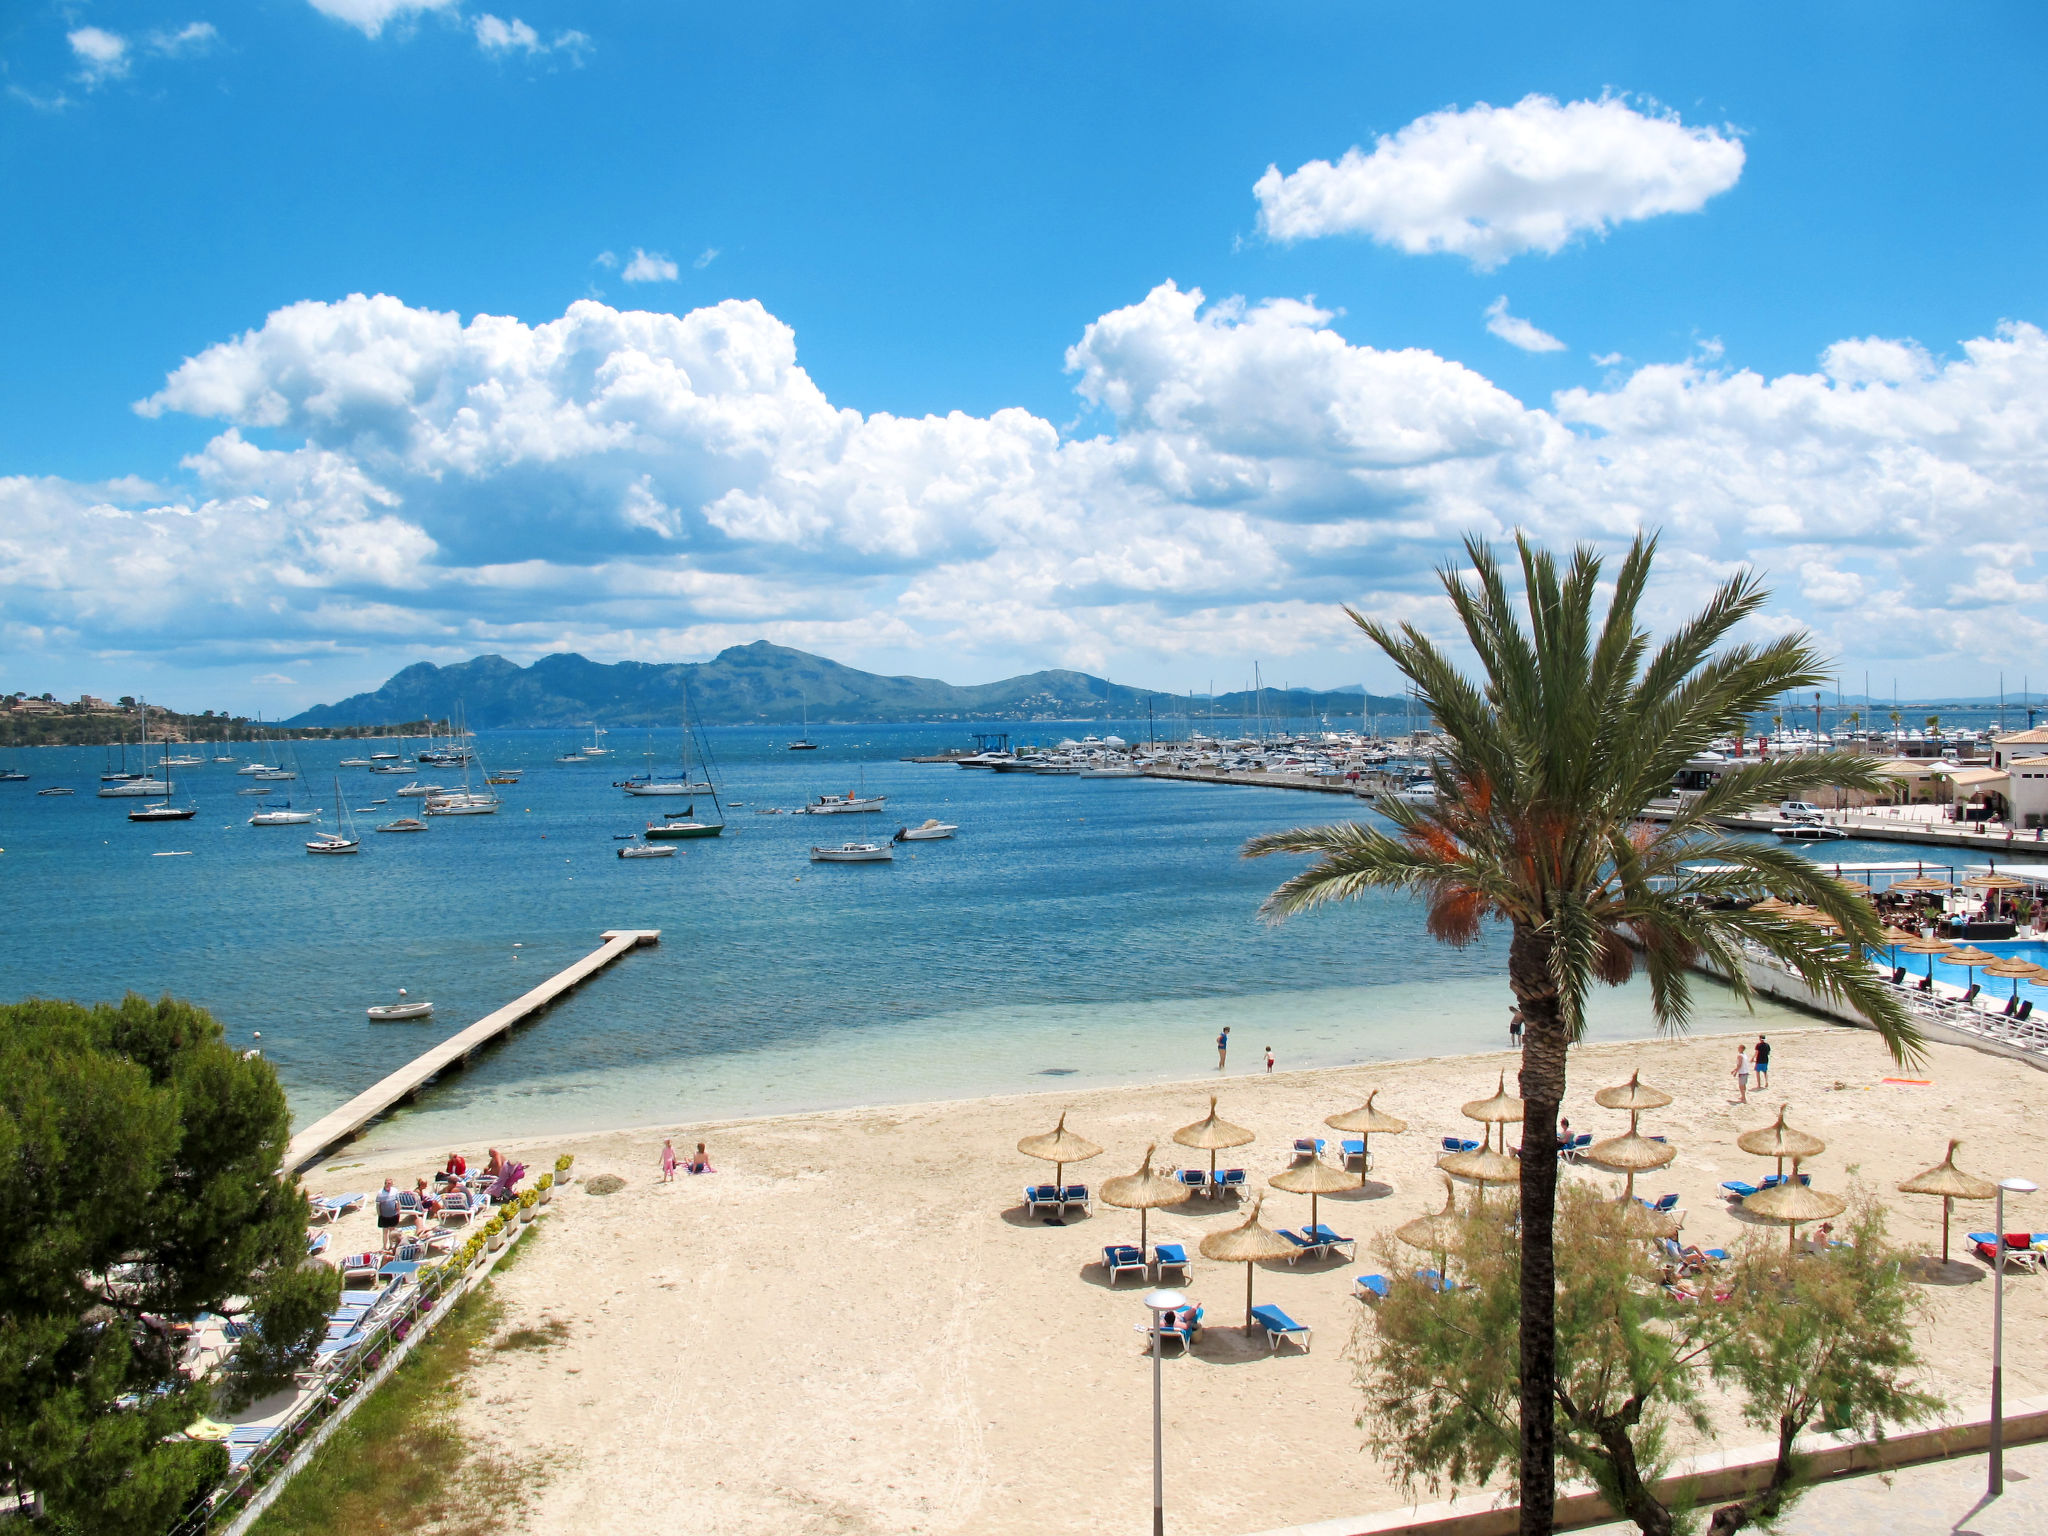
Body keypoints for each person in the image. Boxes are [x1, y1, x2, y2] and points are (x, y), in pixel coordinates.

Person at [374, 1179, 402, 1246]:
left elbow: (398, 1201)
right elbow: (378, 1205)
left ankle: (391, 1245)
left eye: (390, 1183)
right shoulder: (380, 1193)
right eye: (388, 1183)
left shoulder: (394, 1190)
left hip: (393, 1214)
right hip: (384, 1216)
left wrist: (398, 1211)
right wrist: (379, 1214)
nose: (389, 1185)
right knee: (385, 1232)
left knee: (392, 1231)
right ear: (385, 1183)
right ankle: (384, 1246)